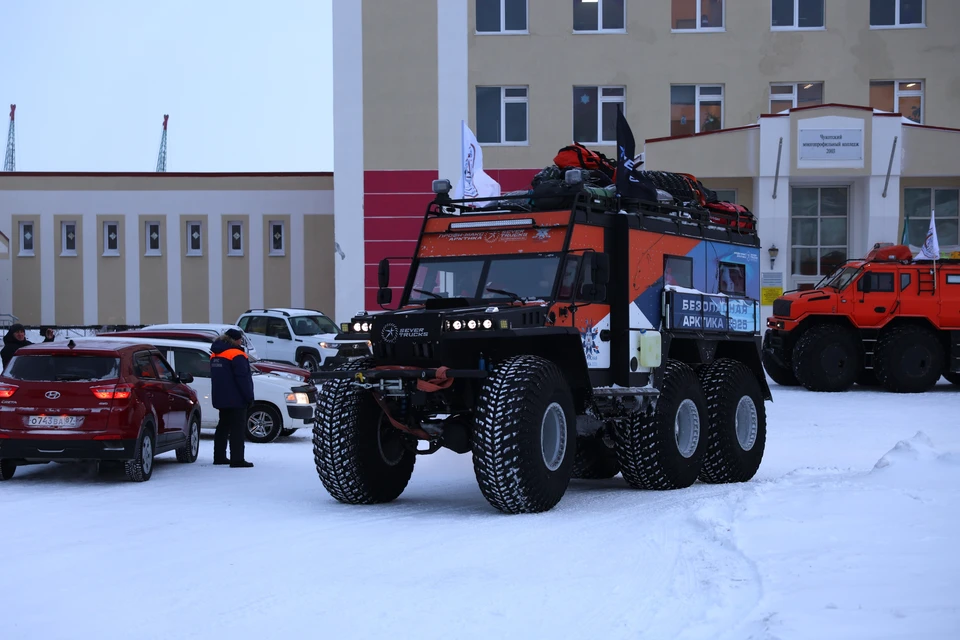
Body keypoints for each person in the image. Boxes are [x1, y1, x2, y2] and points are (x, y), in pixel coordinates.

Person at [210, 328, 255, 468]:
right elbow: (243, 378)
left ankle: (219, 456)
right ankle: (237, 459)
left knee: (223, 426)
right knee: (237, 429)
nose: (241, 341)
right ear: (236, 340)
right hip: (236, 398)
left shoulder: (215, 353)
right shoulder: (237, 354)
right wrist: (249, 397)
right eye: (240, 339)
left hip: (221, 396)